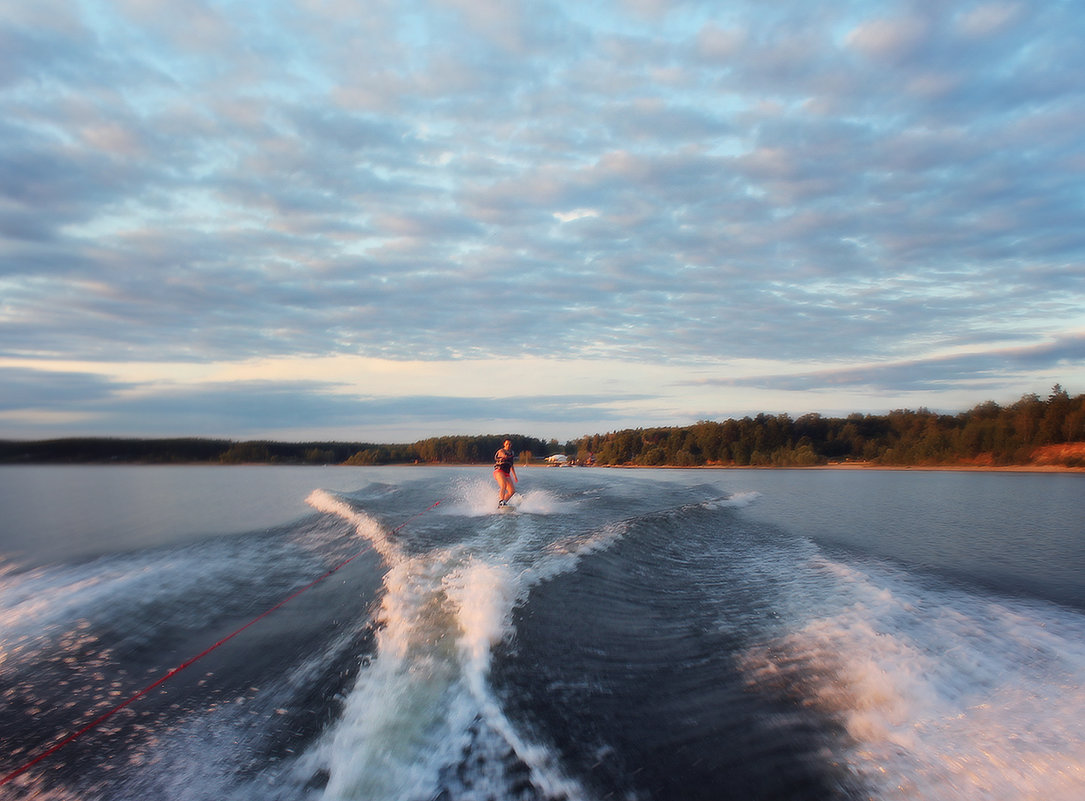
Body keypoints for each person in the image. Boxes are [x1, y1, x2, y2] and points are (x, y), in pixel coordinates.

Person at [493, 439, 518, 506]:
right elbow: (503, 455)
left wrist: (514, 476)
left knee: (512, 491)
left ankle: (503, 503)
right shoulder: (501, 451)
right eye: (507, 444)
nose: (508, 445)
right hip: (499, 470)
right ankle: (501, 501)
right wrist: (505, 456)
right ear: (504, 444)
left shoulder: (512, 453)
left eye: (509, 444)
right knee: (503, 485)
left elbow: (511, 465)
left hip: (506, 472)